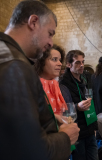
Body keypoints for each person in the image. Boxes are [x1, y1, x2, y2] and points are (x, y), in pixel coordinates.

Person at [0, 1, 80, 160]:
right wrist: (65, 137)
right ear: (33, 22)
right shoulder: (16, 67)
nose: (50, 43)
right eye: (50, 33)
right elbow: (30, 151)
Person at [59, 50, 98, 160]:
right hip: (76, 131)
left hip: (89, 127)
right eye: (77, 62)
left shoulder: (85, 78)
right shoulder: (63, 83)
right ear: (68, 64)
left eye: (82, 62)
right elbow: (62, 109)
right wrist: (77, 107)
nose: (81, 65)